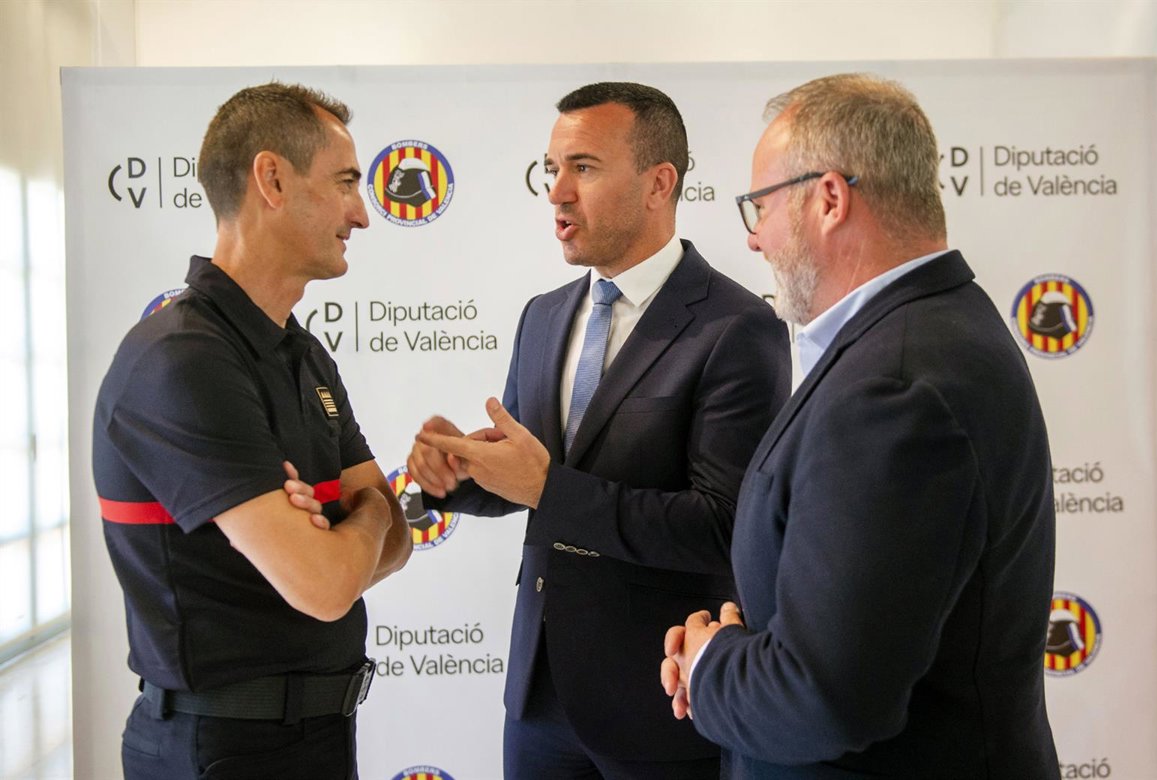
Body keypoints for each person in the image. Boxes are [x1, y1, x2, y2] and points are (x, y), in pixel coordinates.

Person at [660, 73, 1059, 779]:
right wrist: (737, 654)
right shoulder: (935, 327)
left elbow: (823, 697)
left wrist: (712, 665)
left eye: (760, 207)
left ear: (829, 199)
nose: (753, 240)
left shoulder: (892, 387)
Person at [407, 82, 791, 779]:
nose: (557, 192)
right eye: (552, 169)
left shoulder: (737, 328)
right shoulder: (542, 315)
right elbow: (528, 477)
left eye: (582, 168)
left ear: (658, 183)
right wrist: (457, 475)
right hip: (538, 699)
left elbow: (723, 526)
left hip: (662, 706)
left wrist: (546, 488)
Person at [92, 82, 412, 780]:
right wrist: (362, 514)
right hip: (220, 749)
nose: (362, 213)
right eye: (345, 183)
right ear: (272, 179)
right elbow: (326, 583)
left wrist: (350, 526)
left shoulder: (303, 352)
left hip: (317, 737)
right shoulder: (181, 358)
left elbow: (397, 539)